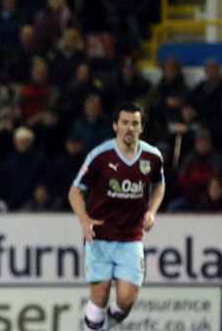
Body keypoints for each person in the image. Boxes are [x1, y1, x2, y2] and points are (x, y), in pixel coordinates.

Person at [68, 102, 165, 330]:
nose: (130, 128)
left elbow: (159, 185)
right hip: (100, 234)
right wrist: (84, 220)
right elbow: (75, 191)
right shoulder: (100, 156)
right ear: (115, 126)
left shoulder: (152, 157)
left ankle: (99, 327)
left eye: (135, 123)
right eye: (125, 123)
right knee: (100, 295)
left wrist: (151, 211)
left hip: (131, 237)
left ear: (142, 128)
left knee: (126, 301)